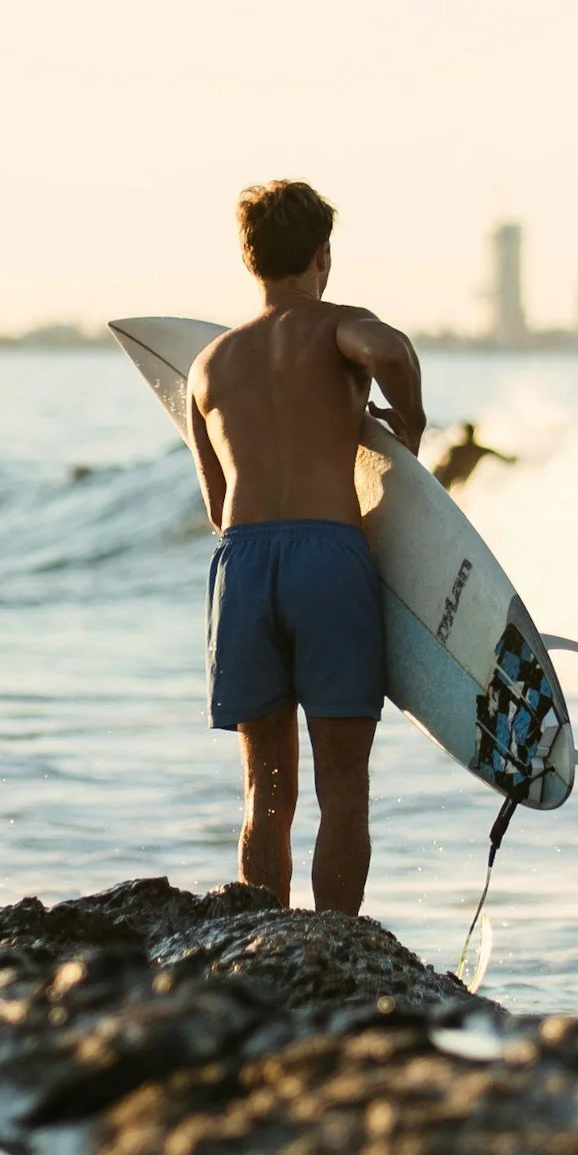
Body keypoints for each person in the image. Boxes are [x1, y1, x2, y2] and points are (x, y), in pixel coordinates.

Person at [188, 179, 425, 914]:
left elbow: (213, 504)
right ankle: (333, 945)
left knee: (265, 790)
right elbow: (385, 348)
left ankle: (263, 941)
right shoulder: (336, 326)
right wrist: (408, 426)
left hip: (245, 561)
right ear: (322, 254)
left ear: (248, 260)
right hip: (328, 556)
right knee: (342, 789)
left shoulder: (208, 366)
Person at [431, 421, 515, 494]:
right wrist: (510, 460)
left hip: (452, 481)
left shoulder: (459, 449)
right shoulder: (476, 450)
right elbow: (441, 463)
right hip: (451, 480)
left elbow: (441, 463)